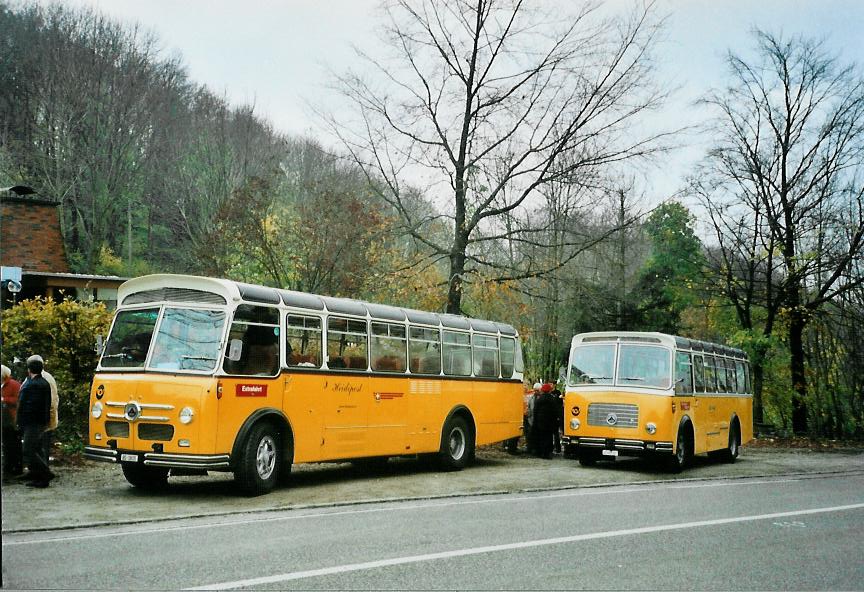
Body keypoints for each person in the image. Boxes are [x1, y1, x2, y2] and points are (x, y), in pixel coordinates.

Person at [16, 357, 53, 487]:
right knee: (37, 448)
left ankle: (44, 473)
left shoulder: (31, 385)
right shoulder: (44, 383)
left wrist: (19, 421)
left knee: (29, 449)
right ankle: (40, 477)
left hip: (31, 421)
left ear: (29, 370)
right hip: (40, 420)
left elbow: (26, 405)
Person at [27, 355, 58, 467]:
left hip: (43, 420)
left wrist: (48, 420)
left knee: (42, 448)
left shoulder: (46, 378)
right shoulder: (33, 377)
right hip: (36, 420)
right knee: (36, 447)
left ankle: (44, 473)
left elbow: (52, 401)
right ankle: (36, 471)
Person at [2, 364, 23, 477]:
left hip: (12, 419)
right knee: (6, 445)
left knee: (13, 445)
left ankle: (16, 468)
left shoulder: (14, 385)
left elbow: (19, 400)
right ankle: (8, 467)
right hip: (4, 419)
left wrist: (4, 399)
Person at [532, 383, 557, 459]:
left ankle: (540, 452)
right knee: (548, 437)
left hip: (540, 422)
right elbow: (555, 411)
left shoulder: (539, 400)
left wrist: (535, 421)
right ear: (549, 391)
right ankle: (547, 453)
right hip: (550, 423)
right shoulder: (552, 399)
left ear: (542, 390)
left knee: (541, 437)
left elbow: (535, 411)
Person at [552, 387, 564, 454]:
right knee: (554, 432)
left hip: (558, 415)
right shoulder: (550, 393)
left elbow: (560, 404)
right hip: (553, 416)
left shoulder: (558, 392)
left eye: (552, 384)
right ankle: (555, 447)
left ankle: (558, 448)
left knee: (557, 432)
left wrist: (559, 416)